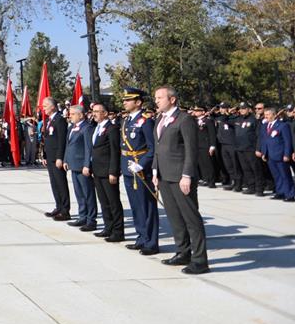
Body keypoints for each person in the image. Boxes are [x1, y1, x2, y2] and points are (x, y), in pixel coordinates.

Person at [152, 86, 208, 275]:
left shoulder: (185, 119)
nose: (156, 101)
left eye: (160, 97)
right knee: (174, 218)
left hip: (180, 177)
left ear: (173, 99)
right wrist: (154, 171)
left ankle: (200, 260)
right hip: (164, 176)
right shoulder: (159, 119)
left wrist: (187, 175)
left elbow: (192, 151)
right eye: (156, 98)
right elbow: (158, 148)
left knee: (191, 218)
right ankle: (183, 252)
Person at [120, 87, 159, 255]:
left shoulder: (146, 121)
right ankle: (141, 237)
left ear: (138, 102)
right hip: (129, 168)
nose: (125, 102)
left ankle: (151, 242)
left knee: (147, 207)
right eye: (125, 100)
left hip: (141, 170)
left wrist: (142, 164)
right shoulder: (126, 120)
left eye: (128, 100)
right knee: (136, 206)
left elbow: (152, 148)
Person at [89, 102, 124, 242]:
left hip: (108, 171)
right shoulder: (96, 128)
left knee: (113, 202)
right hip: (97, 170)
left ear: (105, 113)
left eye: (97, 111)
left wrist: (113, 171)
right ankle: (108, 227)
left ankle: (118, 231)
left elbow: (115, 151)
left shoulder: (112, 128)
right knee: (104, 202)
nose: (94, 114)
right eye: (93, 111)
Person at [64, 104, 96, 231]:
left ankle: (91, 220)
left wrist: (87, 165)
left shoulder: (87, 128)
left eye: (72, 114)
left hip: (82, 166)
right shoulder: (72, 127)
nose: (69, 116)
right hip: (73, 165)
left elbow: (89, 148)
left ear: (81, 115)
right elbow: (68, 144)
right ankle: (82, 216)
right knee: (79, 193)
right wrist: (66, 159)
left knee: (88, 193)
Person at [257, 106, 295, 201]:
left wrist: (287, 154)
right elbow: (264, 140)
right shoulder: (265, 126)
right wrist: (264, 153)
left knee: (285, 175)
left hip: (280, 155)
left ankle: (289, 194)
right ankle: (280, 192)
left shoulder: (282, 125)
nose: (266, 116)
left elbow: (287, 141)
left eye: (268, 114)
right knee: (276, 175)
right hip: (270, 155)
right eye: (265, 115)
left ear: (274, 115)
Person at [42, 97, 70, 221]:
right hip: (50, 157)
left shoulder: (60, 120)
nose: (43, 108)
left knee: (61, 184)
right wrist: (44, 156)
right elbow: (47, 140)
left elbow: (62, 141)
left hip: (57, 158)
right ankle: (58, 207)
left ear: (52, 106)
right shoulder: (49, 120)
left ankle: (65, 210)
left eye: (45, 106)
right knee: (54, 184)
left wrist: (60, 157)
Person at [232, 103, 262, 195]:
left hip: (251, 148)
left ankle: (259, 189)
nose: (242, 110)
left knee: (256, 169)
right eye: (240, 109)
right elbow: (224, 119)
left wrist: (258, 148)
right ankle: (251, 187)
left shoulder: (254, 120)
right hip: (240, 148)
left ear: (249, 109)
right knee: (246, 169)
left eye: (244, 108)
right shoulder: (237, 119)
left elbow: (259, 136)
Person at [191, 106, 217, 187]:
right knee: (201, 164)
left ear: (203, 112)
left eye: (198, 110)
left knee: (208, 164)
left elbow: (212, 133)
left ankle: (212, 181)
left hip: (206, 145)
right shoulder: (194, 121)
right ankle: (206, 179)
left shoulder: (208, 121)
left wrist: (212, 145)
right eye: (195, 110)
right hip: (198, 145)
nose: (196, 112)